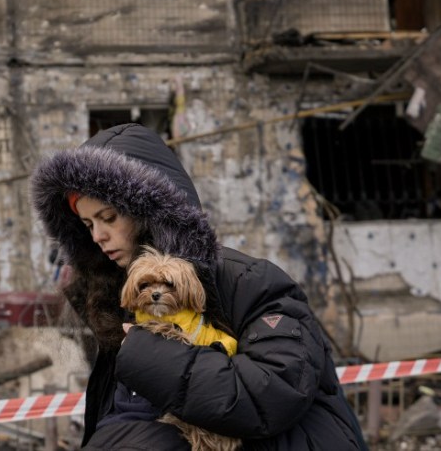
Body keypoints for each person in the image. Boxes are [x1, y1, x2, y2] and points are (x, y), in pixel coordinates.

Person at [31, 123, 367, 450]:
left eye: (109, 218)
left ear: (149, 212)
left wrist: (147, 353)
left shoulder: (249, 280)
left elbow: (272, 392)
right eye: (87, 224)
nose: (97, 236)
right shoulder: (122, 299)